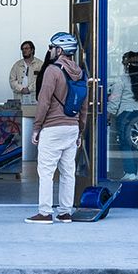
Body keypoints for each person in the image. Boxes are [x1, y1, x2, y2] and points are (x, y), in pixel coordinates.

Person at [27, 31, 83, 224]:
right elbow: (83, 103)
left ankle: (44, 212)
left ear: (60, 50)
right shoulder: (79, 71)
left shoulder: (52, 70)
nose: (49, 50)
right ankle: (65, 212)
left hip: (53, 127)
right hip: (72, 127)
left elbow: (44, 101)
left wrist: (37, 127)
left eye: (52, 47)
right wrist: (80, 130)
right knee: (68, 171)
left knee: (46, 171)